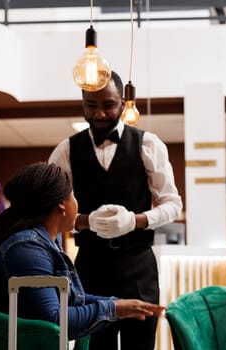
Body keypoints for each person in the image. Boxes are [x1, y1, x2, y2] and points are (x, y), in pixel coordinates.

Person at [48, 71, 183, 350]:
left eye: (108, 105)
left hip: (139, 269)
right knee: (95, 346)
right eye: (90, 105)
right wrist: (85, 221)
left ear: (123, 103)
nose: (99, 114)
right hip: (90, 268)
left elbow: (173, 204)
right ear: (82, 104)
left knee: (140, 346)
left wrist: (135, 221)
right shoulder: (65, 150)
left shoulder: (149, 144)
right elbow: (50, 211)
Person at [0, 162, 166, 341]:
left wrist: (118, 304)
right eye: (74, 195)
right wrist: (114, 308)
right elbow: (53, 322)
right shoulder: (27, 247)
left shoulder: (46, 239)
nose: (77, 203)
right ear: (62, 204)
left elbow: (72, 298)